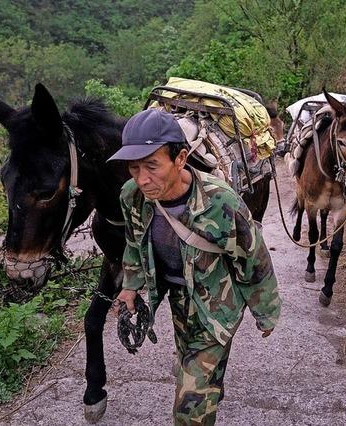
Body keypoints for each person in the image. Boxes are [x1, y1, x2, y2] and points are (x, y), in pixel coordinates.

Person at [107, 108, 282, 425]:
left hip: (218, 304)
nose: (142, 178)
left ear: (180, 158)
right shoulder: (132, 196)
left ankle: (200, 397)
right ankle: (208, 385)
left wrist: (266, 311)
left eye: (151, 166)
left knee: (189, 405)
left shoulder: (220, 203)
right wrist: (130, 287)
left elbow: (253, 257)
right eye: (134, 168)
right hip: (180, 300)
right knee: (194, 364)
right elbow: (134, 242)